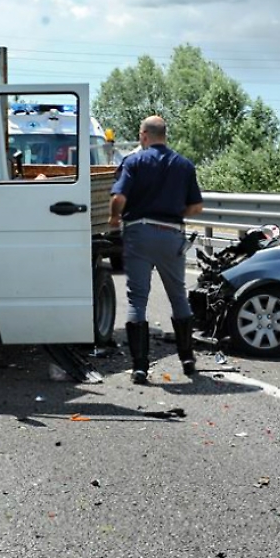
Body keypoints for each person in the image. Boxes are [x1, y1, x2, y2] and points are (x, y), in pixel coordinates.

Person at [109, 116, 204, 384]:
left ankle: (140, 367)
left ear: (143, 135)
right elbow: (196, 207)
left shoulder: (134, 162)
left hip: (140, 232)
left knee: (137, 299)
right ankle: (187, 360)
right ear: (165, 134)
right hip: (171, 234)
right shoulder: (184, 165)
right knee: (178, 296)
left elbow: (119, 197)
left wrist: (114, 218)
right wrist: (175, 216)